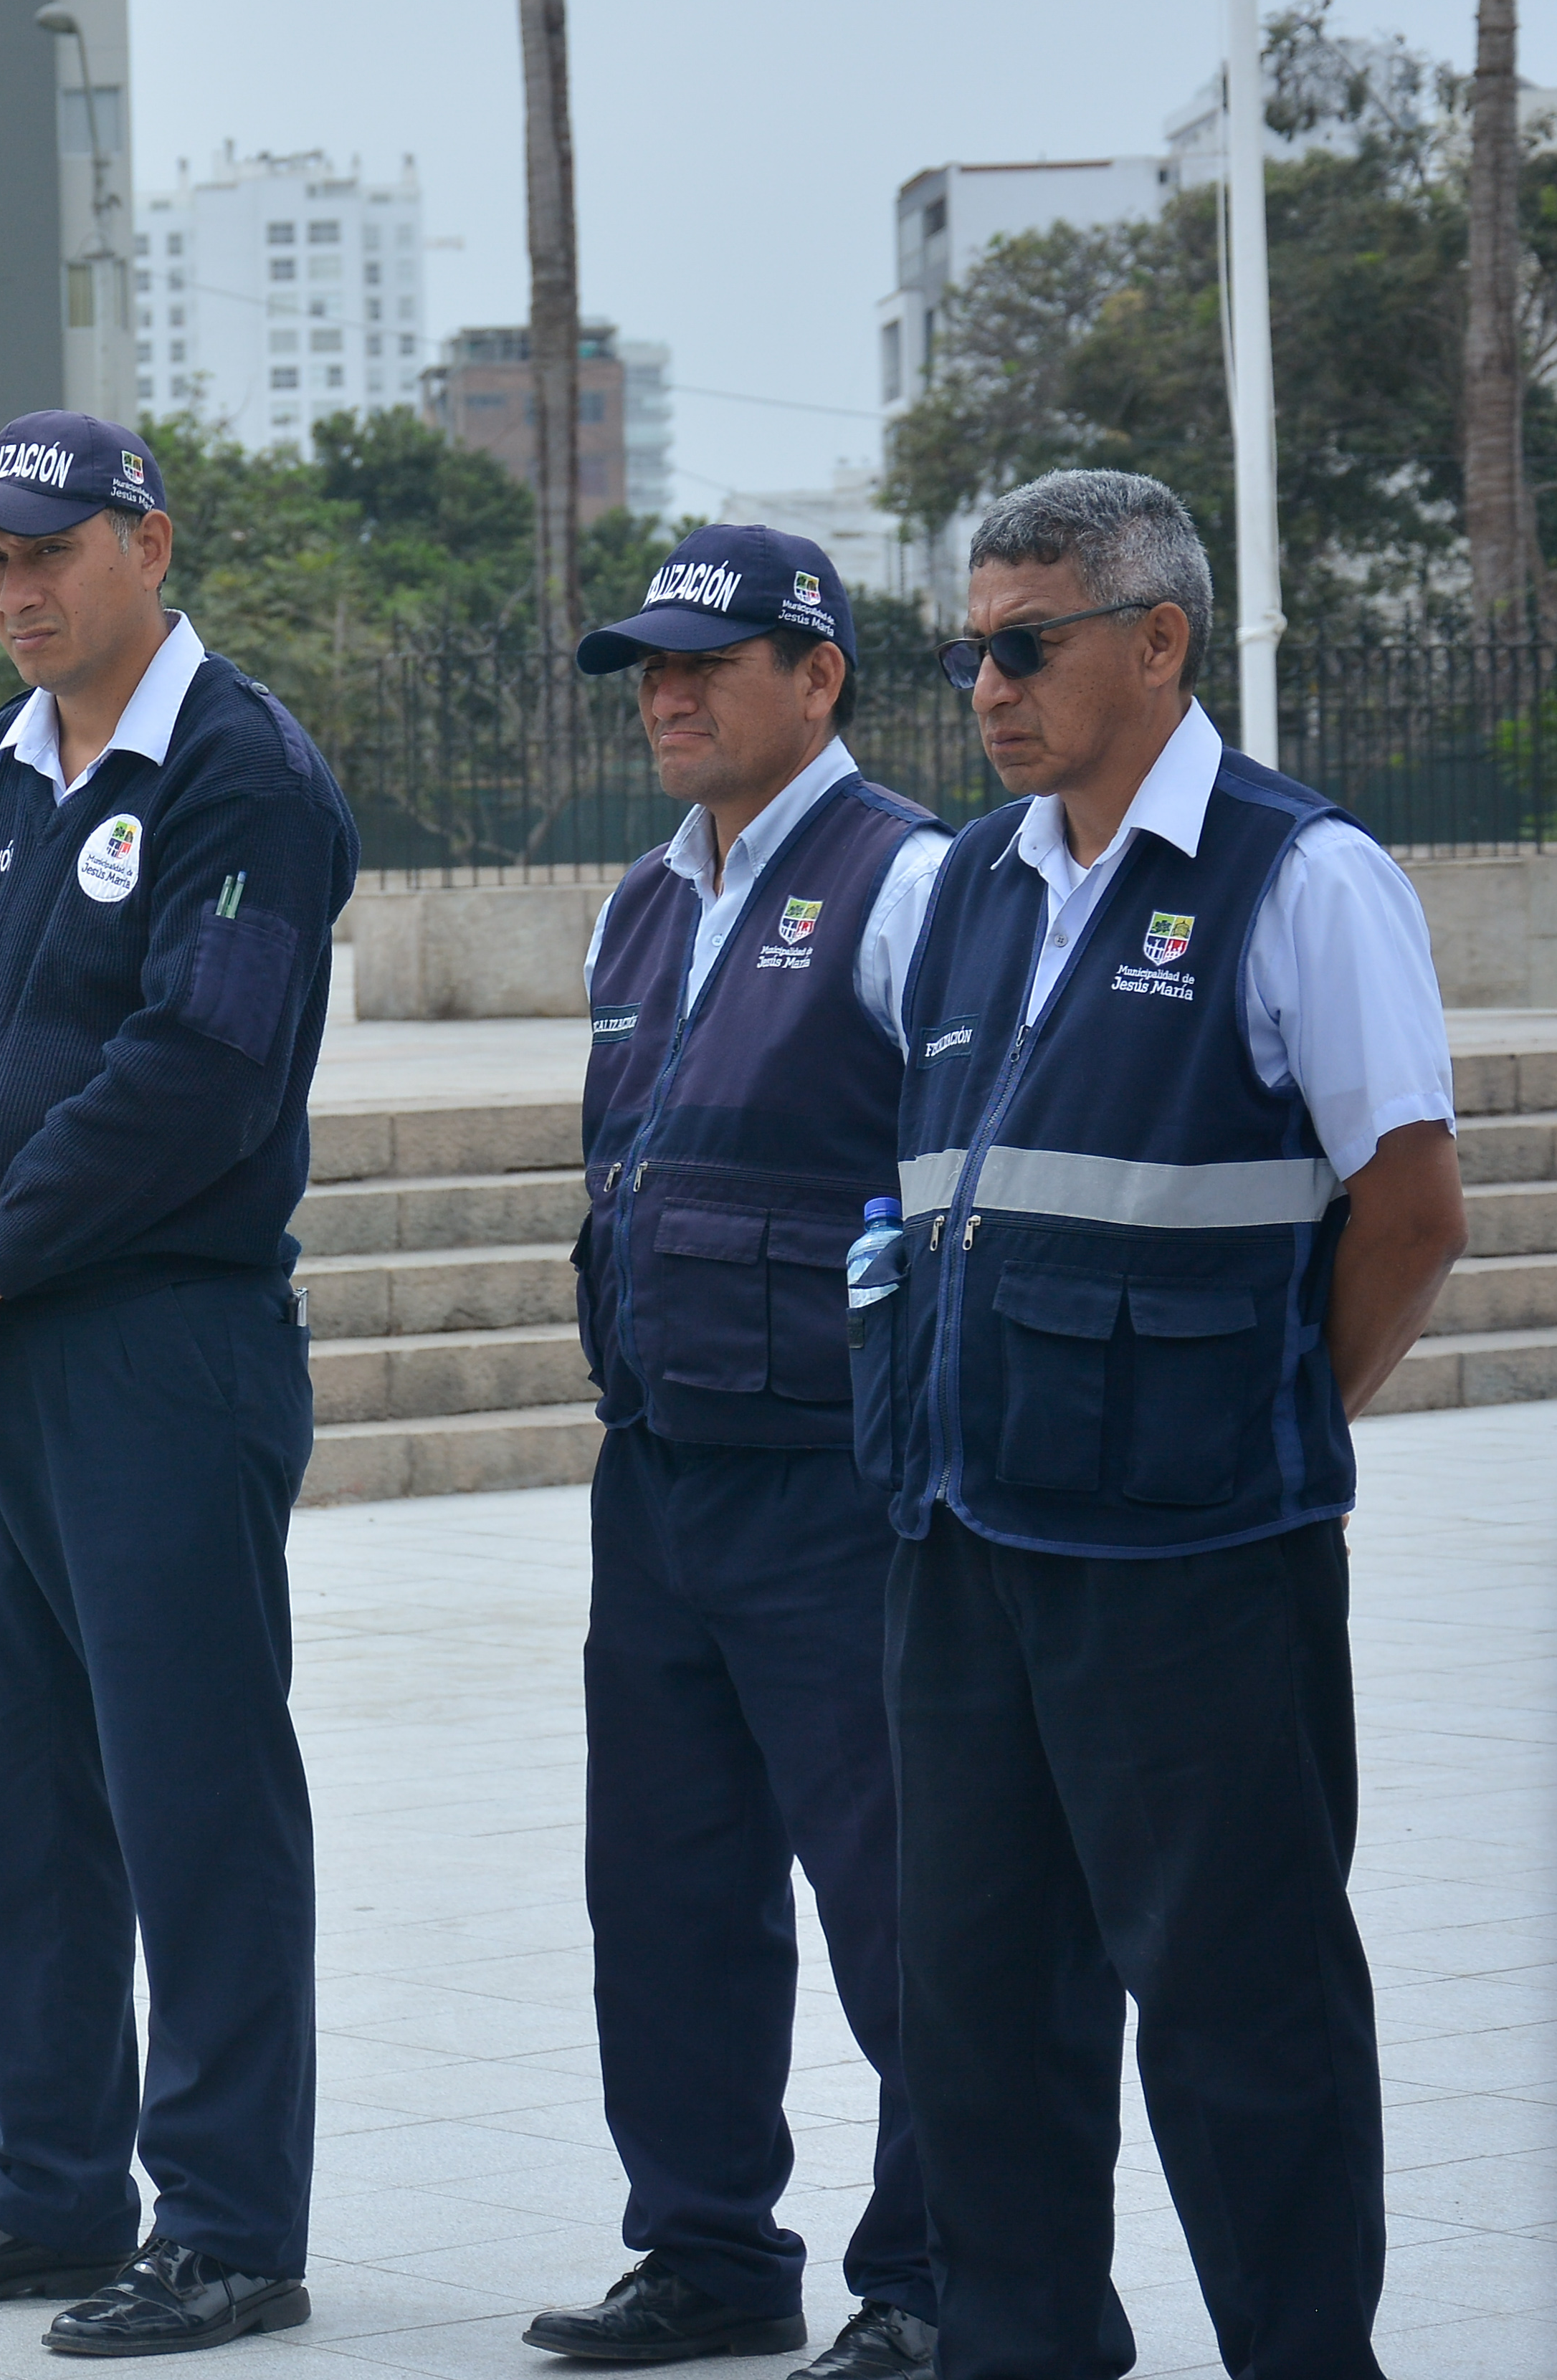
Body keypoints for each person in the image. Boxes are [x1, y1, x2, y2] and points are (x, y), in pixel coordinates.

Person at [870, 470, 1466, 2380]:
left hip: (1195, 1567)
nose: (985, 684)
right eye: (967, 649)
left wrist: (1268, 1419)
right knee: (977, 2010)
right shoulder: (970, 883)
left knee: (1243, 2015)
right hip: (967, 1551)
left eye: (1022, 642)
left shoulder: (1301, 874)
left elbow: (1414, 1204)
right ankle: (1021, 2346)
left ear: (1157, 639)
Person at [0, 412, 358, 2358]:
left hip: (147, 1347)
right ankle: (52, 2179)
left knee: (188, 1790)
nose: (19, 588)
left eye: (52, 550)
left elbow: (191, 1074)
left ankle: (225, 2220)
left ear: (149, 540)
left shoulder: (242, 773)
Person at [520, 527, 946, 2380]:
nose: (665, 694)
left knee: (902, 1891)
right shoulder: (642, 898)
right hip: (662, 1471)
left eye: (705, 661)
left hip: (834, 1484)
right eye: (645, 667)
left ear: (820, 674)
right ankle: (705, 2249)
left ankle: (937, 2271)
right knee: (667, 1890)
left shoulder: (913, 879)